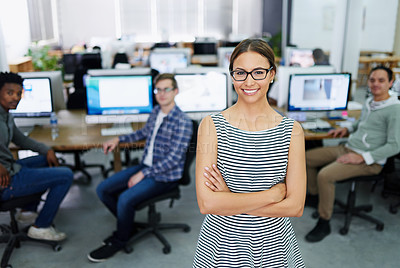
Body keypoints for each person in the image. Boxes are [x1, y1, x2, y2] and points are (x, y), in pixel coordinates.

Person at [193, 39, 306, 267]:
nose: (249, 81)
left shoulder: (292, 131)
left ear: (272, 74)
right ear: (232, 76)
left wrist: (228, 199)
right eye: (240, 73)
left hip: (273, 245)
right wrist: (272, 195)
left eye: (258, 72)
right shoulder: (211, 125)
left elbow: (295, 207)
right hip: (222, 244)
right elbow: (207, 204)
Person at [88, 73, 193, 262]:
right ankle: (128, 224)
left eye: (166, 89)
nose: (161, 94)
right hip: (147, 166)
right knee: (103, 189)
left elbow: (174, 159)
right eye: (158, 90)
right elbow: (143, 132)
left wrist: (143, 174)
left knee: (125, 199)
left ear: (175, 91)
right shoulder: (155, 112)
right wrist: (118, 139)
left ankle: (120, 240)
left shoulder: (182, 122)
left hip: (165, 176)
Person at [305, 65, 400, 242]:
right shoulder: (370, 101)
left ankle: (324, 222)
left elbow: (395, 146)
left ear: (391, 83)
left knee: (325, 175)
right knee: (307, 158)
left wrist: (362, 157)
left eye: (381, 80)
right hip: (349, 147)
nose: (375, 84)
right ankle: (316, 197)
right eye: (372, 80)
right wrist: (347, 128)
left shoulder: (395, 109)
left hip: (369, 160)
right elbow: (361, 123)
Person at [0, 72, 73, 241]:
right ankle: (41, 226)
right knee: (65, 175)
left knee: (46, 161)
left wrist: (46, 150)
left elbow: (21, 139)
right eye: (9, 93)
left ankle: (27, 212)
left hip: (10, 168)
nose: (15, 98)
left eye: (19, 93)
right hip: (5, 183)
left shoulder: (6, 115)